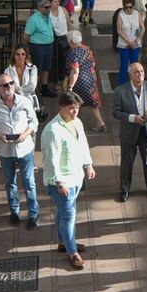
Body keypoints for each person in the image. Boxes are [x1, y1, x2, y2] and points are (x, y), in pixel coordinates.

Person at [41, 91, 96, 269]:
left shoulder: (76, 123)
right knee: (68, 215)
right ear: (61, 108)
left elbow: (83, 144)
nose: (75, 111)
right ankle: (72, 252)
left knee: (63, 212)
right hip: (62, 182)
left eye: (77, 108)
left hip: (76, 177)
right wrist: (59, 182)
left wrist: (88, 164)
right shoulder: (53, 130)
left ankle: (63, 242)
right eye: (71, 108)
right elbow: (51, 159)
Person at [0, 72, 40, 230]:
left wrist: (25, 134)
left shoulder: (24, 101)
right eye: (3, 85)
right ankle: (14, 212)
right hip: (5, 150)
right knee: (10, 183)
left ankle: (33, 213)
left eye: (10, 83)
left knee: (29, 183)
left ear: (14, 85)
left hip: (24, 148)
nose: (7, 87)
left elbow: (34, 122)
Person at [111, 62, 147, 202]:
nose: (140, 74)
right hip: (129, 132)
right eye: (137, 72)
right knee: (127, 163)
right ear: (130, 74)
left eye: (142, 71)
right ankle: (124, 189)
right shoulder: (120, 91)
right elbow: (115, 112)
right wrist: (132, 118)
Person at [63, 30, 108, 131]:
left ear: (71, 41)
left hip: (80, 82)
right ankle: (100, 122)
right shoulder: (87, 48)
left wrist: (70, 86)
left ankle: (72, 125)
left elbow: (75, 71)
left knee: (73, 102)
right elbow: (93, 63)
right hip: (91, 79)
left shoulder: (73, 53)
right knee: (93, 102)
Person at [24, 0, 58, 96]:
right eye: (46, 7)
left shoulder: (48, 17)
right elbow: (26, 36)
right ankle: (34, 89)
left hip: (49, 46)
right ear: (39, 8)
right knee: (37, 69)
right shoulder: (34, 19)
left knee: (46, 68)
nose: (48, 9)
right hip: (38, 47)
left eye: (49, 7)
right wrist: (29, 47)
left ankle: (44, 88)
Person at [114, 0, 144, 86]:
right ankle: (122, 85)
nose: (128, 9)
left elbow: (143, 28)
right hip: (124, 45)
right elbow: (119, 31)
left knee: (134, 65)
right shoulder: (120, 14)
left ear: (133, 7)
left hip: (135, 44)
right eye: (126, 7)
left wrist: (137, 40)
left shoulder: (137, 14)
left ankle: (134, 84)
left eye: (130, 7)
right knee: (124, 66)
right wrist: (129, 42)